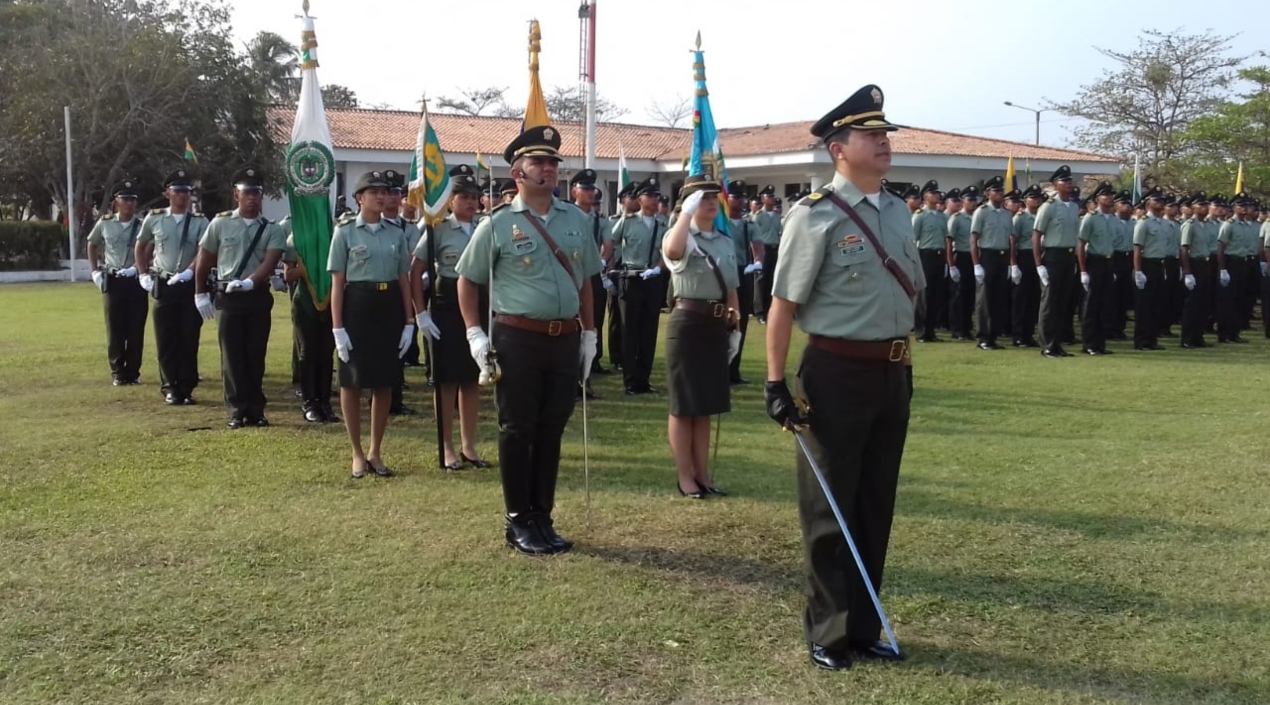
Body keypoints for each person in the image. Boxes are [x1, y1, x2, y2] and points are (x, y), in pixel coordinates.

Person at [765, 85, 923, 671]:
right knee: (830, 511)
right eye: (871, 135)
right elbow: (783, 304)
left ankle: (862, 626)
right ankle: (827, 632)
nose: (884, 143)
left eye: (885, 134)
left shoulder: (900, 209)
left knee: (874, 502)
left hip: (891, 371)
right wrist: (776, 383)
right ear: (839, 149)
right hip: (834, 374)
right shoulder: (815, 216)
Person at [456, 125, 601, 556]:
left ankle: (543, 515)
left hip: (563, 338)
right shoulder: (499, 224)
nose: (550, 168)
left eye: (554, 162)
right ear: (518, 173)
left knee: (552, 428)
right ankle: (518, 518)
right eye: (539, 162)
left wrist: (590, 334)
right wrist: (474, 333)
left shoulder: (575, 218)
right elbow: (467, 280)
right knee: (518, 428)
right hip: (518, 337)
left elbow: (587, 281)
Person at [329, 171, 415, 478]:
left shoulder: (396, 233)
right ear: (359, 198)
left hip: (389, 305)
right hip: (358, 307)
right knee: (352, 381)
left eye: (384, 191)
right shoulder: (345, 232)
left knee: (385, 381)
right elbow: (337, 284)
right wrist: (338, 327)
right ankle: (356, 451)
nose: (380, 196)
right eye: (373, 191)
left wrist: (409, 322)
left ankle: (375, 450)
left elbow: (404, 280)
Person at [662, 174, 741, 499]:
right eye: (702, 197)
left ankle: (703, 474)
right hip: (688, 324)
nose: (710, 201)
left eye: (713, 196)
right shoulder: (682, 234)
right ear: (690, 202)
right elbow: (673, 249)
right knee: (684, 405)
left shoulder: (724, 239)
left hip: (715, 325)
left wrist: (735, 328)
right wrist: (684, 214)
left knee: (705, 405)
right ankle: (685, 477)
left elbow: (732, 289)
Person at [411, 165, 490, 472]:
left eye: (475, 196)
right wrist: (421, 312)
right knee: (446, 380)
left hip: (479, 305)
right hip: (445, 306)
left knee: (472, 378)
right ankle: (446, 446)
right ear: (450, 200)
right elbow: (415, 270)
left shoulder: (487, 227)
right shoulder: (438, 228)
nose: (471, 202)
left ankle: (469, 445)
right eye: (463, 196)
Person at [194, 166, 287, 428]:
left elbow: (270, 261)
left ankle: (256, 410)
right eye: (247, 192)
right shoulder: (220, 223)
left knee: (255, 355)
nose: (252, 198)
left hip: (256, 296)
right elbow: (204, 258)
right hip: (228, 298)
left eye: (257, 193)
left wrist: (249, 282)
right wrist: (200, 292)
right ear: (236, 195)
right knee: (232, 355)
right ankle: (236, 409)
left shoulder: (272, 228)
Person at [135, 169, 207, 404]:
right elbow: (141, 246)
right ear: (167, 193)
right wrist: (143, 274)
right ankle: (170, 387)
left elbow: (204, 252)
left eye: (186, 192)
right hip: (164, 284)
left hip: (189, 284)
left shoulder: (199, 221)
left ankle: (186, 387)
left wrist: (189, 271)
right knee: (166, 338)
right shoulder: (154, 218)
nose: (182, 196)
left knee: (188, 337)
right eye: (177, 191)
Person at [87, 178, 148, 386]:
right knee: (114, 328)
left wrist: (138, 269)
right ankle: (117, 372)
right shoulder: (105, 223)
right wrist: (94, 271)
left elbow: (150, 249)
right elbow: (92, 244)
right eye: (125, 199)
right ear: (116, 202)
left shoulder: (142, 225)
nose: (129, 203)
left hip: (136, 279)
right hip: (113, 280)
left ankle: (133, 372)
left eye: (132, 200)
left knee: (135, 328)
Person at [611, 176, 668, 395]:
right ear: (639, 199)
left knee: (649, 331)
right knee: (629, 331)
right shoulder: (627, 221)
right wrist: (607, 266)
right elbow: (610, 241)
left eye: (657, 196)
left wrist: (659, 268)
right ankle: (630, 381)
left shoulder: (663, 224)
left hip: (652, 279)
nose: (655, 200)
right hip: (630, 278)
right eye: (650, 196)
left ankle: (643, 379)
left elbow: (669, 252)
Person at [280, 215, 338, 423]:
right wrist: (307, 268)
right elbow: (288, 276)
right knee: (308, 352)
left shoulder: (335, 235)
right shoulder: (296, 238)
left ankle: (325, 402)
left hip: (331, 300)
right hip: (305, 302)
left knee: (326, 352)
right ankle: (309, 402)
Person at [571, 168, 613, 397]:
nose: (590, 193)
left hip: (592, 274)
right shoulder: (566, 214)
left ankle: (585, 379)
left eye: (592, 189)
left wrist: (602, 261)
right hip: (570, 275)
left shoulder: (599, 219)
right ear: (574, 191)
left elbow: (608, 243)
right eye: (585, 189)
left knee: (592, 325)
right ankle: (570, 378)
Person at [381, 169, 419, 417]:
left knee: (397, 349)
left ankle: (395, 399)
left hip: (399, 290)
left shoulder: (409, 228)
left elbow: (413, 258)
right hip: (373, 292)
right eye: (388, 192)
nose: (393, 197)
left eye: (397, 192)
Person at [1033, 166, 1080, 358]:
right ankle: (1047, 345)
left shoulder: (1074, 207)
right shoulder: (1049, 206)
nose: (1069, 183)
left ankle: (1058, 343)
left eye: (1070, 180)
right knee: (1050, 303)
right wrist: (1039, 265)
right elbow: (1036, 235)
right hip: (1052, 257)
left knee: (1063, 303)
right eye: (1064, 181)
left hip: (1068, 257)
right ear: (1055, 185)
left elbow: (1075, 236)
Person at [727, 180, 763, 383]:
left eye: (743, 197)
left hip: (743, 271)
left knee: (741, 322)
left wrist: (757, 262)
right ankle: (721, 369)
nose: (741, 201)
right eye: (736, 197)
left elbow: (758, 247)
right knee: (724, 321)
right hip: (724, 273)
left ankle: (734, 371)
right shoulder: (719, 222)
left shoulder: (749, 223)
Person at [970, 177, 1011, 350]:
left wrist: (1010, 263)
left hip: (1002, 257)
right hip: (987, 256)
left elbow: (1010, 240)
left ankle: (993, 336)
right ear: (988, 194)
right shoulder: (982, 212)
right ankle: (983, 338)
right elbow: (973, 239)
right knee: (985, 300)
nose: (1000, 193)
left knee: (998, 299)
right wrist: (976, 264)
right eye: (996, 190)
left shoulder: (1007, 214)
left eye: (1001, 190)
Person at [1076, 183, 1117, 355]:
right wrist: (1083, 270)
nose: (1109, 197)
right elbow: (1081, 244)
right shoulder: (1090, 218)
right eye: (1105, 195)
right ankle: (1089, 344)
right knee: (1091, 305)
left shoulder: (1114, 219)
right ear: (1097, 199)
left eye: (1111, 195)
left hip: (1108, 262)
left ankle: (1100, 344)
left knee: (1105, 305)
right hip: (1094, 262)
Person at [1132, 190, 1170, 351]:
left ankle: (1152, 339)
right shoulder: (1143, 223)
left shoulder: (1162, 223)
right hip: (1147, 264)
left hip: (1159, 265)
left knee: (1156, 304)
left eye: (1162, 200)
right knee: (1144, 306)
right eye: (1157, 200)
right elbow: (1137, 249)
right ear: (1148, 203)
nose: (1160, 203)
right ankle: (1142, 341)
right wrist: (1138, 271)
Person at [912, 180, 947, 342]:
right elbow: (913, 240)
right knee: (923, 295)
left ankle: (931, 331)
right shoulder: (920, 216)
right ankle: (921, 331)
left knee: (936, 295)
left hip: (939, 256)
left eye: (937, 193)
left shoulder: (942, 216)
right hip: (925, 255)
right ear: (925, 196)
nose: (937, 195)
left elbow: (946, 239)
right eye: (933, 193)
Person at [1180, 192, 1216, 348]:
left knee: (1203, 304)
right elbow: (1184, 249)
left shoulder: (1207, 225)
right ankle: (1187, 339)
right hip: (1194, 264)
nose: (1205, 207)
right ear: (1193, 207)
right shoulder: (1189, 225)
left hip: (1205, 264)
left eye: (1206, 204)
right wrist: (1187, 273)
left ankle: (1198, 337)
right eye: (1201, 205)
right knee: (1192, 305)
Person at [946, 187, 975, 340]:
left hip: (974, 257)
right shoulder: (956, 218)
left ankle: (967, 327)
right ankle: (956, 329)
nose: (973, 203)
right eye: (970, 200)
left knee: (970, 295)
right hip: (961, 257)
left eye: (975, 199)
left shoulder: (977, 216)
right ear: (963, 201)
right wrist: (951, 265)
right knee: (958, 295)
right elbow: (949, 242)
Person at [752, 186, 782, 322]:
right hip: (763, 249)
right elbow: (752, 236)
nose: (771, 199)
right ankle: (759, 312)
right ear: (763, 199)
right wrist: (756, 255)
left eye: (772, 196)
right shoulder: (758, 216)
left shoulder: (777, 217)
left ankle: (770, 310)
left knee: (772, 280)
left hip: (775, 249)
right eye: (768, 196)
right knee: (761, 281)